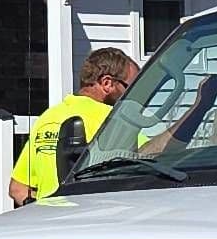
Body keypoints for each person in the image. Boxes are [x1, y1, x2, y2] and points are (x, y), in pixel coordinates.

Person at [9, 47, 139, 204]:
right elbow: (155, 154)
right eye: (131, 88)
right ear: (107, 83)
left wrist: (49, 206)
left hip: (45, 222)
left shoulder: (47, 118)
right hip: (91, 221)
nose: (133, 95)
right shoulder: (114, 119)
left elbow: (18, 189)